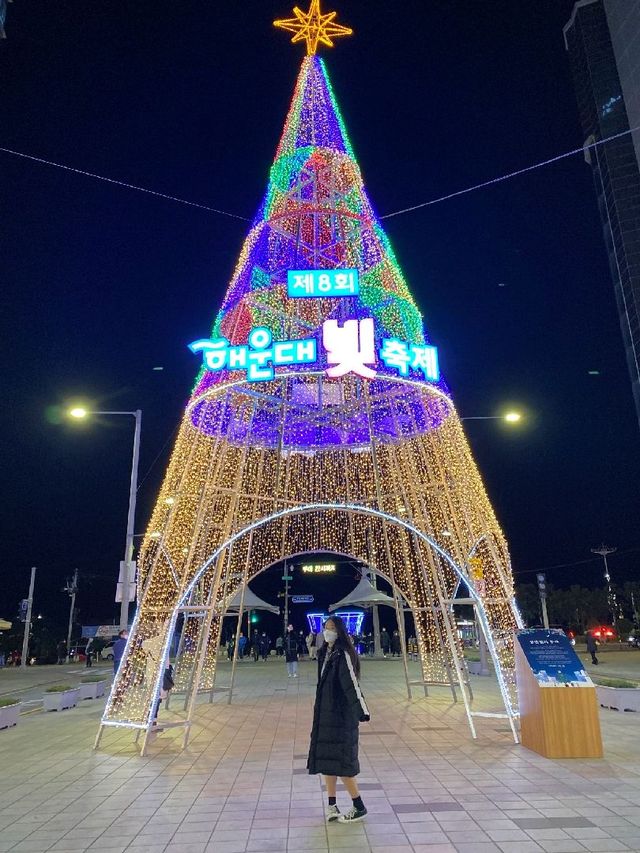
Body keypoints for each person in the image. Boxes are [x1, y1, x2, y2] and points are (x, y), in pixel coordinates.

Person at [307, 615, 370, 824]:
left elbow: (351, 684)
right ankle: (331, 805)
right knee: (328, 761)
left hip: (341, 717)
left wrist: (361, 710)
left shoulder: (342, 654)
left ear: (340, 631)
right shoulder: (325, 653)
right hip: (326, 714)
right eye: (326, 628)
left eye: (332, 628)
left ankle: (358, 805)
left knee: (343, 764)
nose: (328, 631)